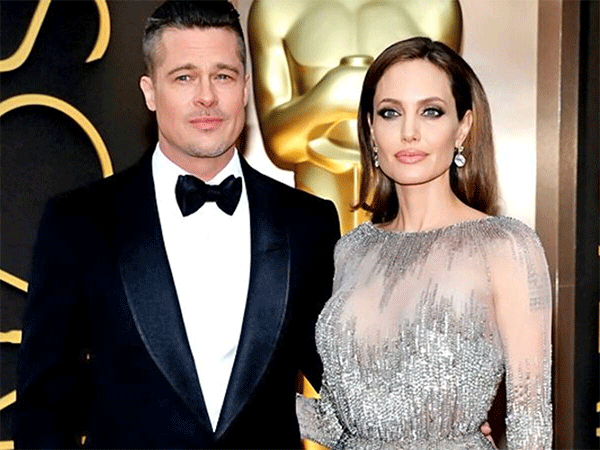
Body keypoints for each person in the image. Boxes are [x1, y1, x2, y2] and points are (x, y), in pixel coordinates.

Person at [14, 1, 339, 448]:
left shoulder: (308, 223)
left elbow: (347, 388)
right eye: (184, 77)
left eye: (223, 76)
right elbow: (44, 410)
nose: (206, 96)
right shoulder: (79, 223)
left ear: (245, 87)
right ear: (150, 92)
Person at [296, 37, 552, 449]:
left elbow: (531, 429)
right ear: (370, 129)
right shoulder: (352, 251)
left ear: (463, 127)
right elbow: (338, 421)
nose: (409, 132)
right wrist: (221, 394)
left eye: (431, 111)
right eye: (390, 112)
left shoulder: (506, 247)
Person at [248, 0, 462, 234]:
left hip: (408, 193)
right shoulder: (275, 8)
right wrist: (331, 96)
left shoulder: (435, 7)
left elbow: (443, 127)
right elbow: (278, 142)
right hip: (318, 189)